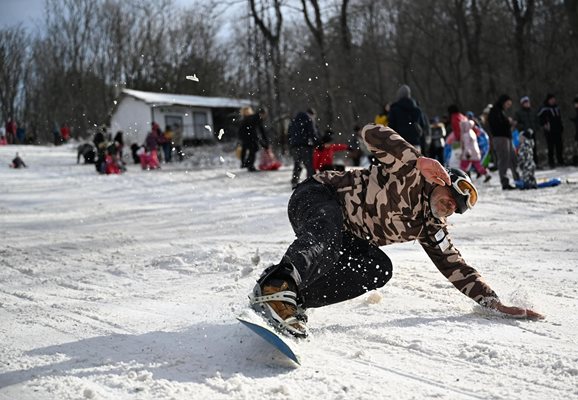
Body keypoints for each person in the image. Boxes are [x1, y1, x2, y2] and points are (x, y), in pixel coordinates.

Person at [248, 123, 544, 338]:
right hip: (317, 195)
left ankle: (291, 300)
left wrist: (494, 303)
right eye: (450, 197)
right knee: (328, 233)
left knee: (378, 268)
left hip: (345, 234)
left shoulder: (431, 227)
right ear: (440, 180)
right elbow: (369, 133)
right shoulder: (410, 171)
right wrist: (416, 160)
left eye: (456, 208)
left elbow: (456, 266)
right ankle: (279, 286)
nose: (450, 207)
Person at [488, 94, 519, 190]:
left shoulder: (500, 111)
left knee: (513, 158)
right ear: (503, 102)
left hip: (507, 137)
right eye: (507, 104)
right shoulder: (494, 111)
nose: (508, 106)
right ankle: (504, 182)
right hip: (500, 138)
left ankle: (518, 180)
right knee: (504, 160)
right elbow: (497, 125)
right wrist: (508, 122)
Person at [388, 85, 429, 151]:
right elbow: (422, 127)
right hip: (415, 143)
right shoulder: (417, 110)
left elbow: (391, 127)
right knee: (416, 161)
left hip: (400, 143)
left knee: (402, 161)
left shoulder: (394, 109)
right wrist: (424, 146)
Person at [288, 108, 320, 188]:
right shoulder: (309, 119)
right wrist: (317, 143)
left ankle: (294, 181)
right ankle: (311, 182)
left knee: (297, 164)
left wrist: (291, 144)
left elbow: (289, 133)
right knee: (309, 165)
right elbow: (312, 132)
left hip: (294, 146)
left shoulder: (294, 120)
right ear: (312, 114)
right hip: (305, 145)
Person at [238, 107, 269, 172]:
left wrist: (263, 141)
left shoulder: (254, 117)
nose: (265, 116)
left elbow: (260, 131)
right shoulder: (256, 118)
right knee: (254, 149)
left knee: (249, 149)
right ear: (262, 114)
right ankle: (250, 166)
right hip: (248, 135)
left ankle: (245, 163)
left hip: (244, 135)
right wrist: (263, 142)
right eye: (265, 114)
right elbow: (261, 131)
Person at [538, 94, 564, 168]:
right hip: (549, 130)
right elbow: (540, 118)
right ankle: (551, 162)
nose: (553, 101)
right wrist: (544, 124)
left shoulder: (557, 107)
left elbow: (559, 118)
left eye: (554, 99)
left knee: (559, 146)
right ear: (548, 100)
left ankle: (560, 160)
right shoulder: (544, 109)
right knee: (551, 147)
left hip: (558, 129)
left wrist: (561, 126)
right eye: (551, 99)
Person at [515, 96, 541, 167]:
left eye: (528, 102)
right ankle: (525, 164)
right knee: (525, 149)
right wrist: (523, 129)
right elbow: (517, 123)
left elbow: (537, 121)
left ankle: (535, 163)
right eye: (525, 103)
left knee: (534, 149)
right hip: (524, 134)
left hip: (532, 132)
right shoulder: (518, 113)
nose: (527, 104)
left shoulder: (533, 111)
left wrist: (536, 128)